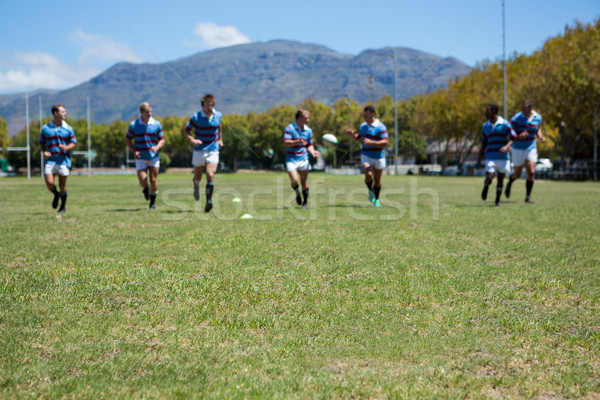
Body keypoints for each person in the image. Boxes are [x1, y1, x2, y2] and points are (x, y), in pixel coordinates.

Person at [185, 94, 223, 212]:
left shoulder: (218, 115)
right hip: (199, 149)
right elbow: (186, 130)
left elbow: (219, 126)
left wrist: (220, 139)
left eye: (212, 105)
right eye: (208, 105)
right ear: (203, 105)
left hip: (213, 148)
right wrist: (192, 140)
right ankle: (196, 184)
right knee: (198, 176)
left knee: (210, 174)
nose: (210, 107)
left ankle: (208, 201)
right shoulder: (196, 117)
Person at [346, 105, 388, 207]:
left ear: (372, 115)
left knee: (377, 182)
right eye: (363, 115)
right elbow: (360, 140)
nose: (364, 117)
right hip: (366, 155)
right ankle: (370, 191)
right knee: (368, 175)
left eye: (366, 115)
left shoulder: (381, 127)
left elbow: (385, 142)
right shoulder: (363, 126)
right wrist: (353, 136)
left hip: (379, 156)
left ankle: (376, 199)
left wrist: (372, 142)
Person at [125, 102, 165, 210]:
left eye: (151, 112)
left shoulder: (157, 124)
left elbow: (162, 139)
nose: (150, 114)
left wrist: (157, 147)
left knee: (153, 179)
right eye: (147, 112)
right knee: (143, 181)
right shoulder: (134, 125)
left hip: (153, 157)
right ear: (141, 112)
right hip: (141, 158)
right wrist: (134, 151)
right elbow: (128, 139)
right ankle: (146, 189)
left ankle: (152, 203)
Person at [505, 100, 545, 203]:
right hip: (518, 148)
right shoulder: (517, 117)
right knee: (517, 174)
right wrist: (518, 136)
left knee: (531, 172)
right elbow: (509, 128)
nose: (522, 110)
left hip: (531, 147)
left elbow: (537, 128)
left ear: (531, 108)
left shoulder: (538, 117)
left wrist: (540, 137)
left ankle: (528, 197)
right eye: (522, 107)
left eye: (525, 108)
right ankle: (510, 182)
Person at [40, 104, 77, 214]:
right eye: (63, 112)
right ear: (56, 113)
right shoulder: (46, 128)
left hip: (63, 161)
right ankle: (55, 194)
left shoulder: (68, 129)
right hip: (50, 161)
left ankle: (62, 207)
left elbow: (74, 143)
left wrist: (66, 147)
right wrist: (44, 151)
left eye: (65, 111)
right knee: (49, 183)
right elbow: (42, 143)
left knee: (62, 186)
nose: (65, 113)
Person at [477, 104, 514, 206]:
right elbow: (484, 141)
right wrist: (480, 154)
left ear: (494, 112)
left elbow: (513, 137)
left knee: (500, 180)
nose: (485, 113)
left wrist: (506, 147)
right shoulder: (485, 126)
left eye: (487, 111)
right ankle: (486, 185)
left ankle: (497, 200)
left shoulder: (505, 124)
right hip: (490, 155)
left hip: (503, 158)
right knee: (489, 177)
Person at [283, 109, 320, 208]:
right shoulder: (289, 128)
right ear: (300, 119)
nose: (308, 120)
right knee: (294, 180)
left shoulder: (308, 130)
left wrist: (313, 152)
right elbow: (286, 142)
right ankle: (297, 192)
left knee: (304, 182)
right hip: (291, 159)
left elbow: (309, 145)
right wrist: (298, 141)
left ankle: (305, 202)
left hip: (303, 158)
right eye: (306, 118)